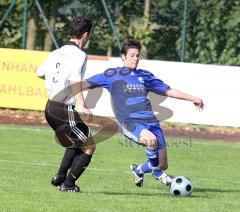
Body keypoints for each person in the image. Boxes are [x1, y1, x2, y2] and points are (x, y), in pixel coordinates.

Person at [83, 39, 204, 187]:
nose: (135, 58)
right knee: (151, 142)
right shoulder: (112, 75)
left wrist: (192, 98)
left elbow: (168, 91)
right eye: (132, 55)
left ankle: (138, 170)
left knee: (162, 163)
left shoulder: (144, 75)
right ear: (123, 56)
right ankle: (157, 174)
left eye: (138, 55)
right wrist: (81, 103)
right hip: (129, 121)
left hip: (151, 120)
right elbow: (83, 84)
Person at [36, 16, 95, 192]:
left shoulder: (55, 52)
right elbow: (75, 80)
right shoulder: (80, 55)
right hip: (63, 108)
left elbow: (39, 73)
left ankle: (60, 176)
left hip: (50, 107)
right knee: (89, 146)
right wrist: (83, 105)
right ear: (85, 35)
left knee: (75, 142)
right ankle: (68, 184)